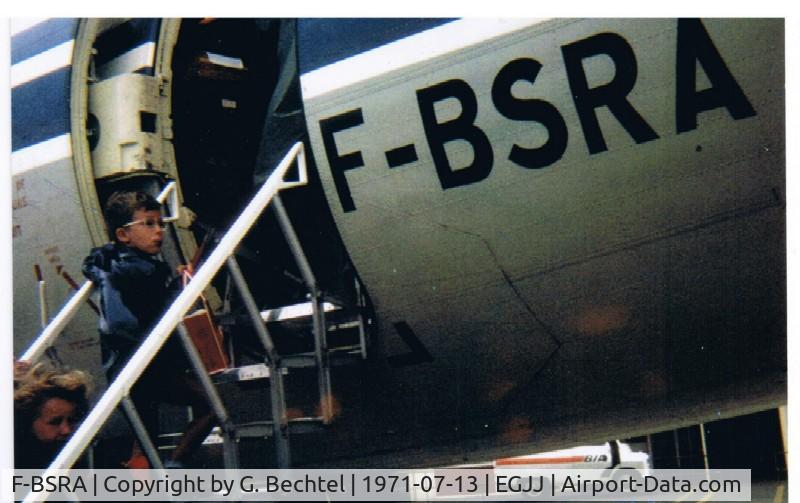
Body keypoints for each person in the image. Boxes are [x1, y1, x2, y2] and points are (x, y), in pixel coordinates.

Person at [82, 190, 216, 468]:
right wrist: (179, 288)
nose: (159, 231)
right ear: (123, 234)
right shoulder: (145, 270)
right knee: (211, 406)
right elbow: (155, 312)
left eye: (160, 223)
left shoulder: (112, 262)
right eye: (149, 224)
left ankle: (145, 480)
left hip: (123, 367)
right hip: (149, 367)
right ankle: (175, 465)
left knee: (145, 440)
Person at [14, 362, 91, 469]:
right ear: (28, 422)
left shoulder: (74, 452)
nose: (66, 430)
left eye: (71, 420)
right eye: (55, 422)